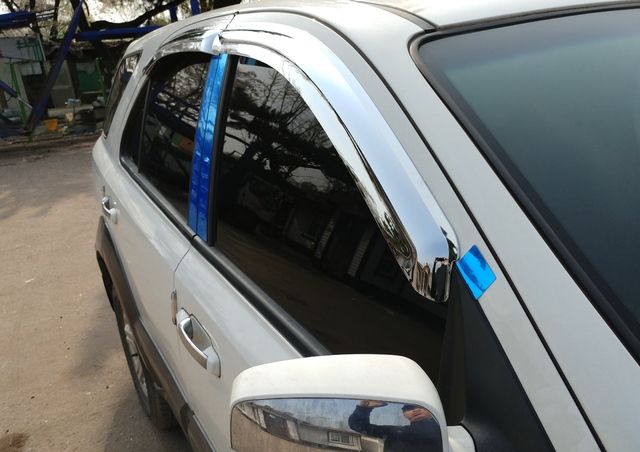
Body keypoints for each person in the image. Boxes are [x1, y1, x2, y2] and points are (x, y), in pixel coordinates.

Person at [348, 400, 442, 451]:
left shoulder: (442, 430)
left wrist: (433, 415)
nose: (415, 410)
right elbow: (356, 425)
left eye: (420, 406)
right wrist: (364, 407)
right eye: (409, 408)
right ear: (404, 414)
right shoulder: (395, 432)